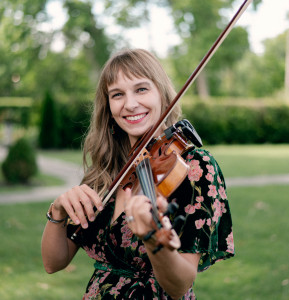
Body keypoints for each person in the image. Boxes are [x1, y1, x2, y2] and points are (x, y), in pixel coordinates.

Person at [41, 48, 234, 300]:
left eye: (141, 89)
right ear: (108, 106)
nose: (130, 104)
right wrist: (57, 212)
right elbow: (54, 263)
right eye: (117, 94)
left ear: (163, 95)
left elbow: (179, 286)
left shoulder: (195, 167)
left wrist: (153, 240)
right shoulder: (105, 171)